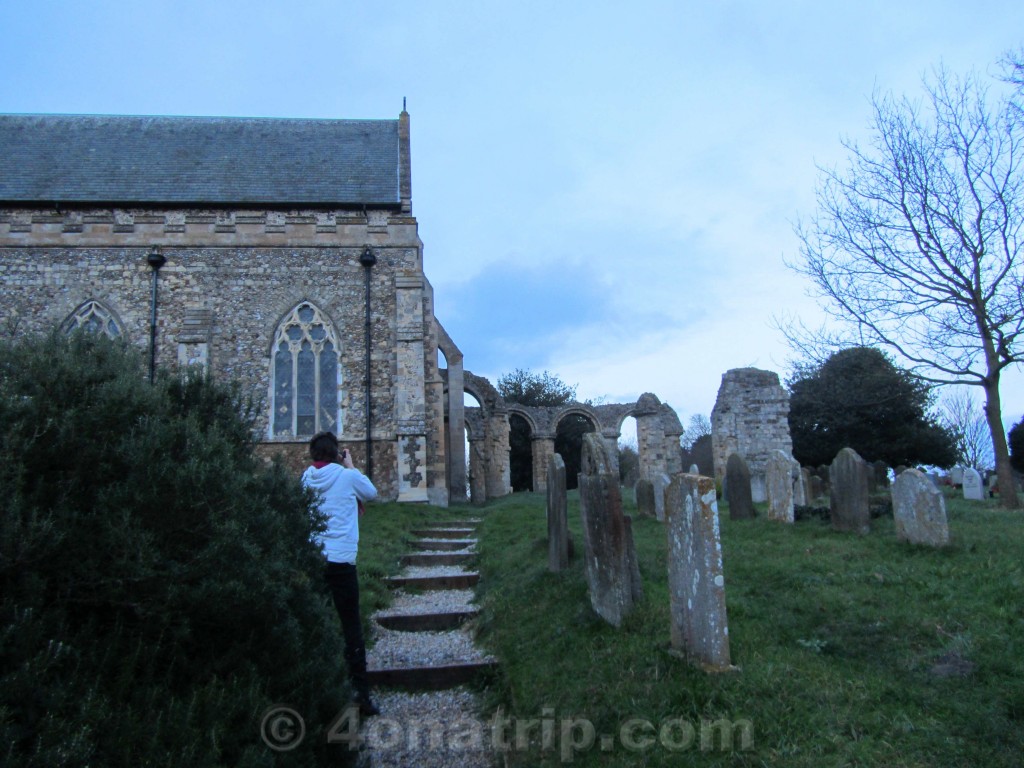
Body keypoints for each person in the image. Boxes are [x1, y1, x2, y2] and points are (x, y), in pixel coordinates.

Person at [301, 431, 380, 716]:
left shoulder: (306, 478)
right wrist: (350, 465)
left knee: (315, 622)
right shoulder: (347, 477)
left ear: (312, 455)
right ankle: (360, 693)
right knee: (351, 627)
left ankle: (318, 687)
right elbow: (371, 493)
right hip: (342, 562)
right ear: (335, 454)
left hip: (314, 559)